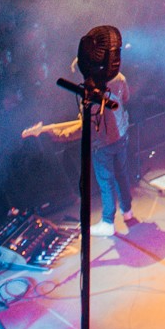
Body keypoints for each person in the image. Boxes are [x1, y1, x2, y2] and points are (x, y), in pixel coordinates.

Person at [18, 62, 136, 237]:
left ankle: (108, 222)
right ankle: (127, 211)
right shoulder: (117, 77)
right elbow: (125, 98)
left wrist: (57, 134)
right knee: (121, 174)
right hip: (121, 135)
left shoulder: (91, 96)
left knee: (106, 182)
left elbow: (84, 129)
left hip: (103, 144)